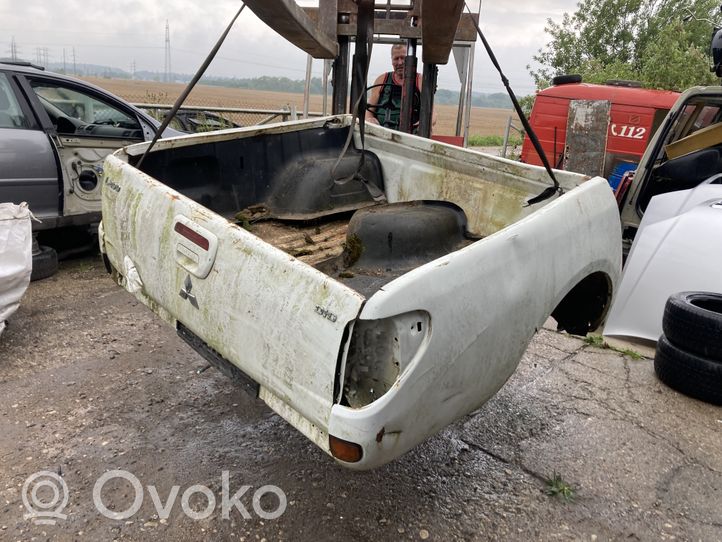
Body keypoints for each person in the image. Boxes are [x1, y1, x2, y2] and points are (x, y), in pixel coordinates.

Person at [365, 44, 435, 132]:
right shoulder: (382, 79)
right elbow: (369, 110)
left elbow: (432, 114)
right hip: (381, 133)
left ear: (410, 60)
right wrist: (369, 118)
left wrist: (425, 124)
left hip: (410, 136)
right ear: (391, 60)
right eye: (396, 58)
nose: (400, 62)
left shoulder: (420, 80)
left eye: (403, 58)